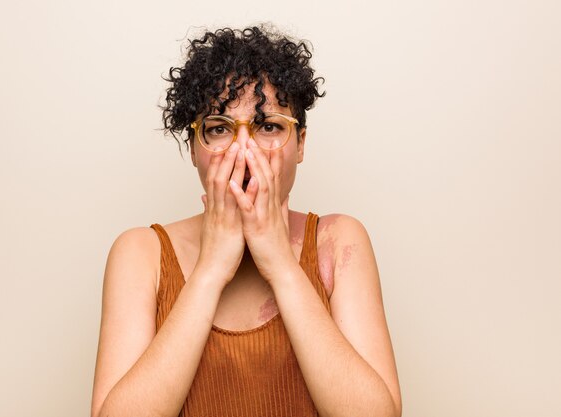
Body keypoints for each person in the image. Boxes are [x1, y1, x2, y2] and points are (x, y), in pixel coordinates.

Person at [91, 25, 402, 417]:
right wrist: (211, 269)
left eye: (269, 127)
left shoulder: (338, 242)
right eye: (219, 129)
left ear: (300, 143)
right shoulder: (140, 253)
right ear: (193, 148)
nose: (244, 150)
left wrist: (280, 263)